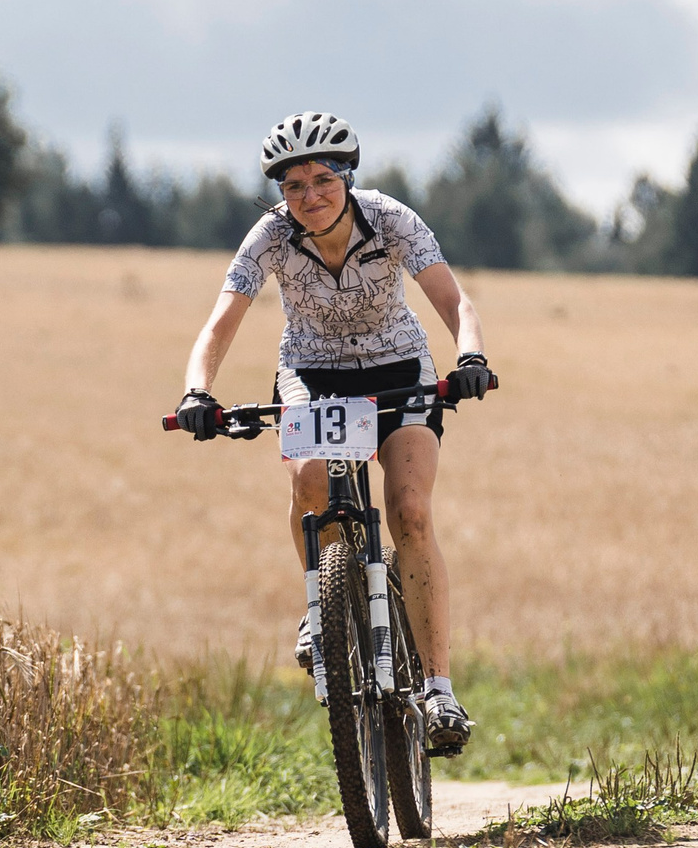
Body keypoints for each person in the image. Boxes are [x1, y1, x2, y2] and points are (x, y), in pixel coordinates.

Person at [175, 111, 492, 754]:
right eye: (294, 186)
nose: (310, 196)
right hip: (311, 374)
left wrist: (471, 358)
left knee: (409, 511)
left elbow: (454, 301)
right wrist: (196, 392)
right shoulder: (267, 238)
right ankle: (322, 609)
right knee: (312, 488)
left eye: (323, 179)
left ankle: (437, 689)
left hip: (399, 368)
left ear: (347, 178)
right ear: (280, 194)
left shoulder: (393, 219)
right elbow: (219, 325)